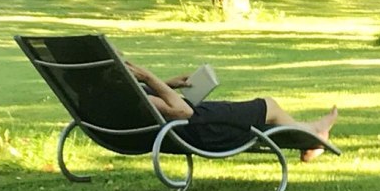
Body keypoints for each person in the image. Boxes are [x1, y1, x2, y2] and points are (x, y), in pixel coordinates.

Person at [124, 61, 338, 162]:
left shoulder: (113, 95)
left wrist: (168, 83)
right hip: (204, 130)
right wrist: (147, 76)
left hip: (198, 125)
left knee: (265, 117)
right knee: (268, 107)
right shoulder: (132, 97)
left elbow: (154, 102)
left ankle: (312, 135)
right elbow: (181, 112)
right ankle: (313, 137)